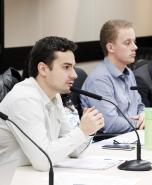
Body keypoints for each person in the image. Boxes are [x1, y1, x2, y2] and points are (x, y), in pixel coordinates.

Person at [0, 36, 104, 171]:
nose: (74, 75)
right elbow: (44, 160)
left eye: (73, 67)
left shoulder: (54, 95)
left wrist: (89, 130)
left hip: (32, 175)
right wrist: (82, 131)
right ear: (43, 69)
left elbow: (75, 150)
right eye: (66, 67)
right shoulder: (24, 99)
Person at [81, 19, 144, 134]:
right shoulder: (99, 79)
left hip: (133, 136)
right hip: (110, 143)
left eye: (134, 42)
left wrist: (144, 115)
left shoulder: (128, 73)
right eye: (128, 42)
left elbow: (139, 106)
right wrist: (143, 123)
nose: (135, 47)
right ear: (110, 47)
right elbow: (111, 124)